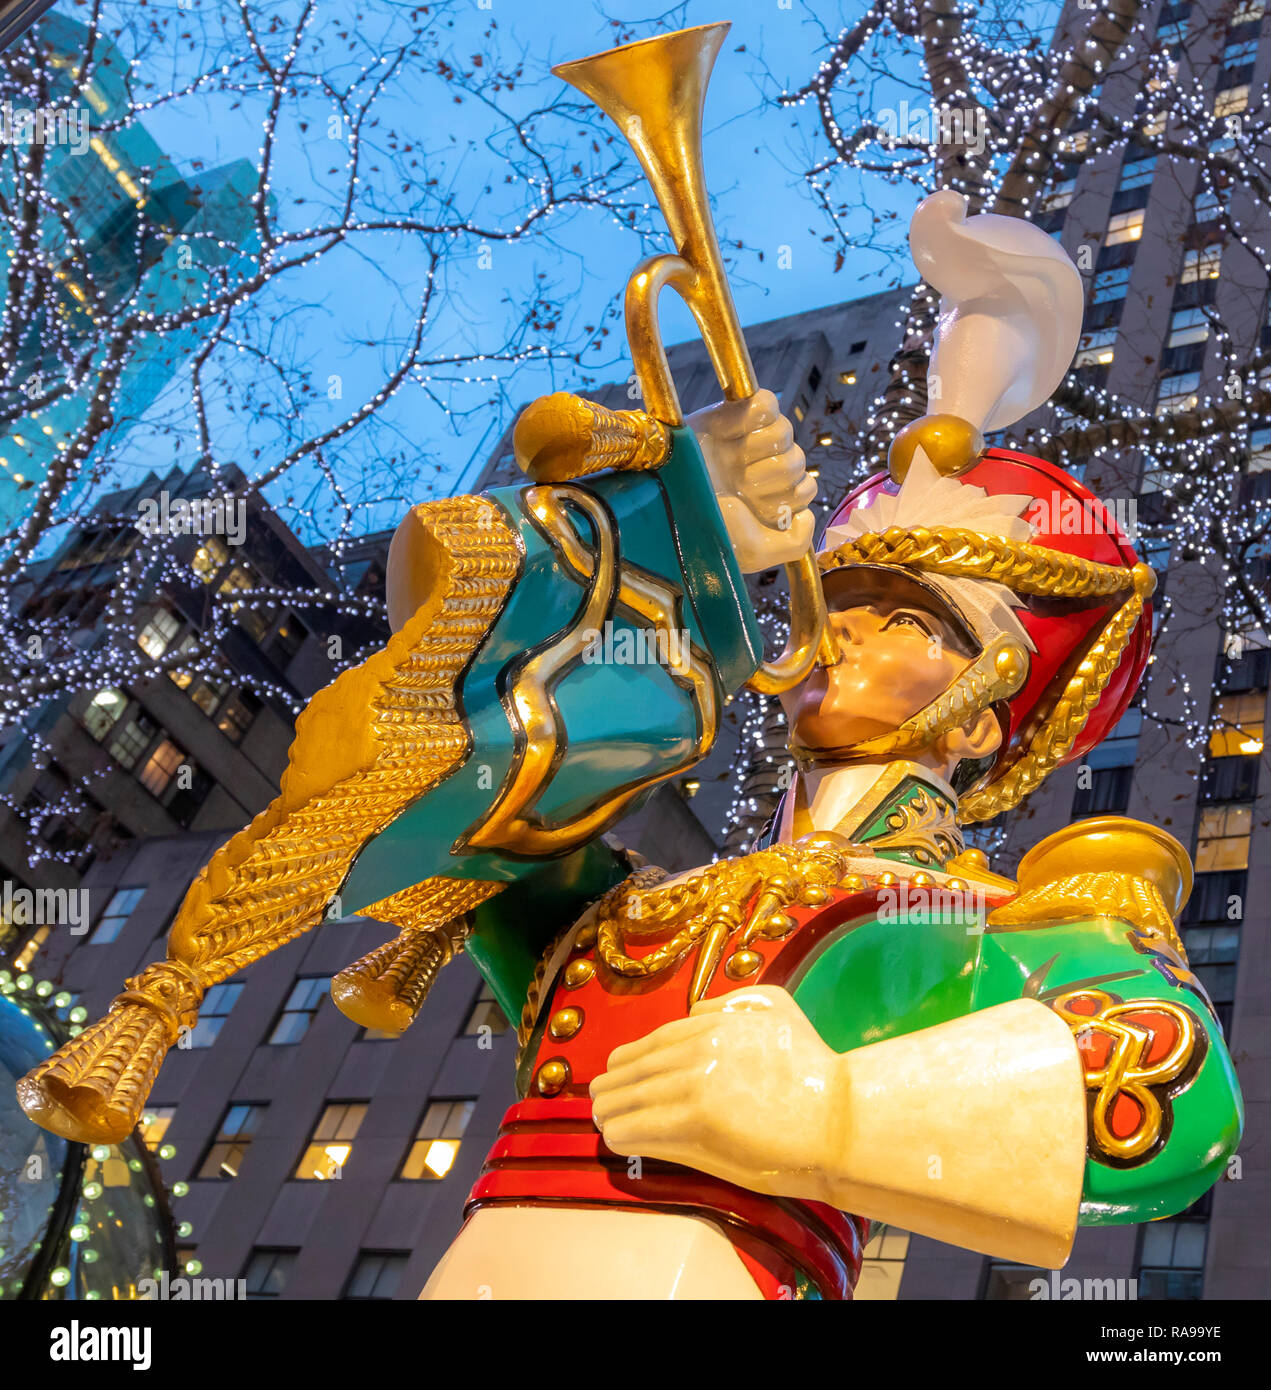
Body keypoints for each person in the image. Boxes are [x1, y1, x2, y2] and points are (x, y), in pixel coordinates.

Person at [419, 194, 1243, 1300]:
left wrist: (831, 1113)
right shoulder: (612, 904)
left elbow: (1173, 1099)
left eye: (901, 618)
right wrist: (656, 521)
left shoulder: (990, 915)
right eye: (829, 595)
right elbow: (459, 751)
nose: (837, 628)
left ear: (981, 707)